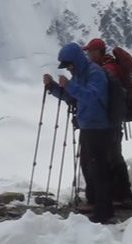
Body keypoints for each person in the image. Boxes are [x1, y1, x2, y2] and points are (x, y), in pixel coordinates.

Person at [45, 42, 117, 224]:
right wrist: (53, 87)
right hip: (88, 127)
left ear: (76, 60)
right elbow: (72, 97)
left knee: (99, 168)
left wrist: (69, 86)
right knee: (91, 167)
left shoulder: (94, 73)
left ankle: (104, 211)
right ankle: (98, 205)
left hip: (99, 127)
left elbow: (91, 96)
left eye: (69, 65)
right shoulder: (79, 74)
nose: (68, 69)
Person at [82, 38, 132, 208]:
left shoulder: (107, 68)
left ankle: (119, 196)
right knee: (111, 156)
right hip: (111, 120)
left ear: (99, 52)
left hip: (108, 122)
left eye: (91, 51)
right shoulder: (109, 67)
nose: (89, 55)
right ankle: (119, 195)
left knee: (109, 157)